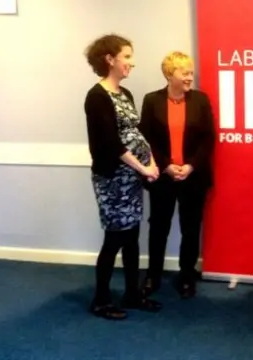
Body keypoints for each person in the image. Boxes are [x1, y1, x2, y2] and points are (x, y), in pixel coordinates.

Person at [83, 34, 163, 320]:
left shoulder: (125, 94)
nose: (132, 62)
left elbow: (137, 134)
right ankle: (101, 300)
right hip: (112, 179)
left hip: (131, 179)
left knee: (131, 238)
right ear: (110, 59)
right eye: (127, 56)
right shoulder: (97, 96)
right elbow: (110, 144)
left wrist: (151, 162)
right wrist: (142, 169)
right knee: (114, 238)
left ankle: (131, 293)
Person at [139, 51, 215, 299]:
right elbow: (146, 139)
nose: (190, 78)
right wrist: (166, 165)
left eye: (191, 73)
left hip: (193, 178)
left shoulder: (201, 101)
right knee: (158, 228)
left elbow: (208, 138)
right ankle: (153, 275)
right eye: (185, 73)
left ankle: (186, 275)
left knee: (190, 229)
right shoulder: (151, 101)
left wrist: (190, 166)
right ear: (170, 74)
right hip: (163, 177)